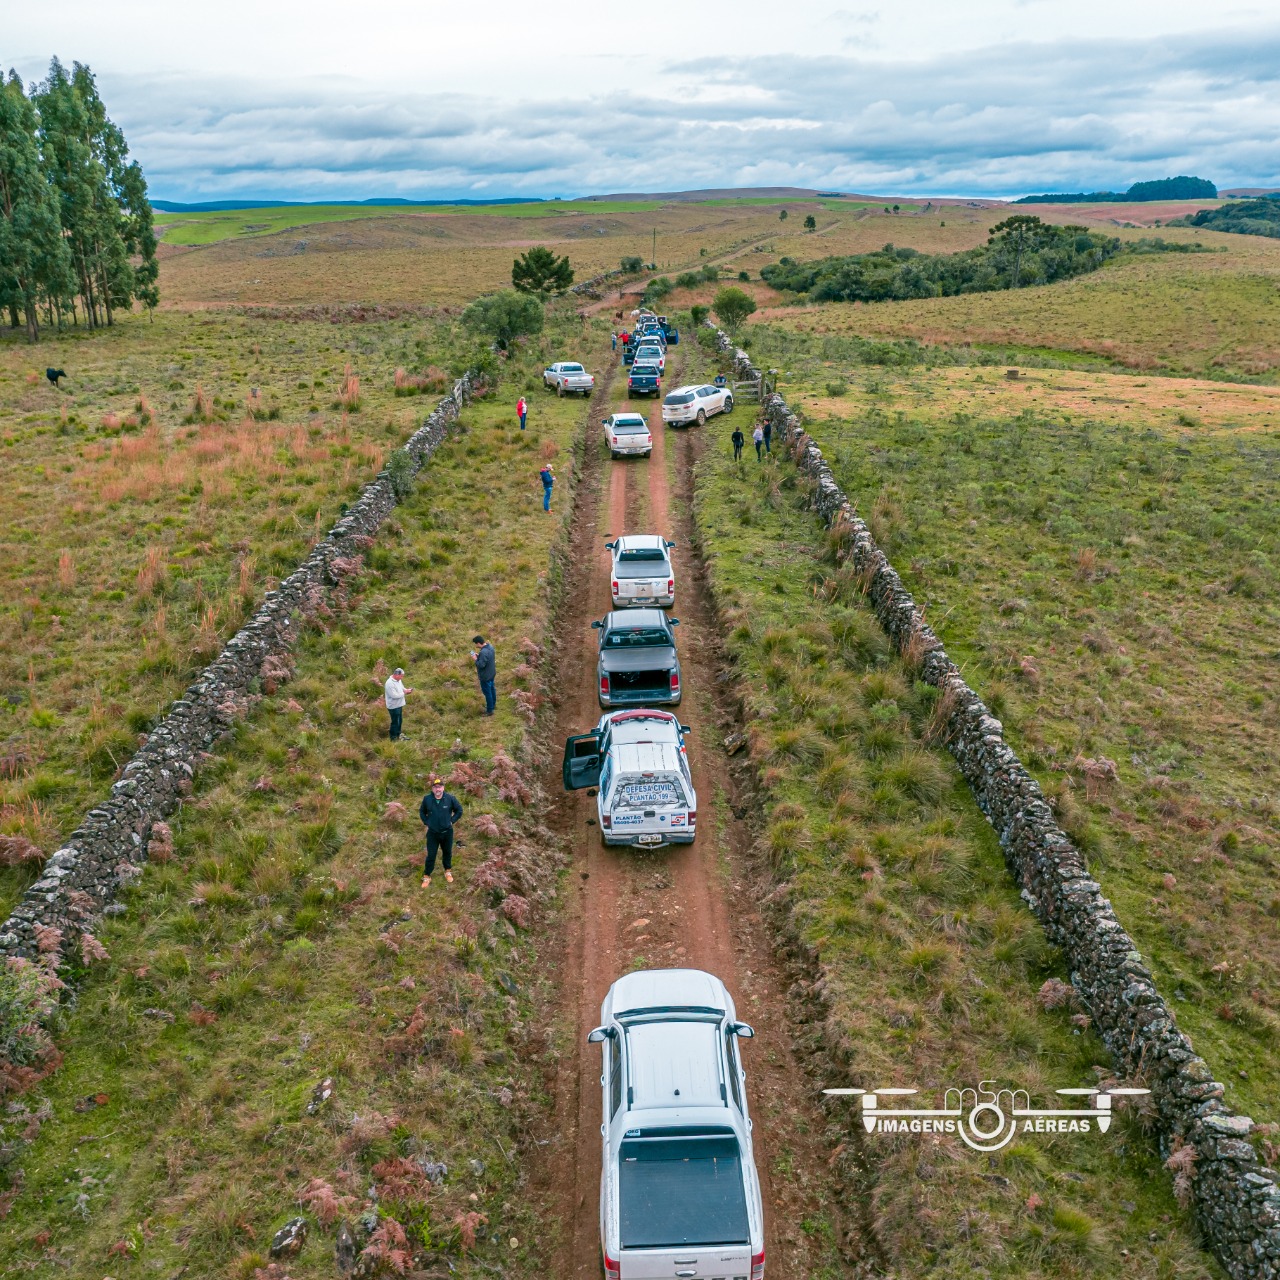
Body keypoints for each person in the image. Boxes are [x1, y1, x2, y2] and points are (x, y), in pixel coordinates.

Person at [420, 776, 463, 889]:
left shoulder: (450, 798)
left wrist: (452, 821)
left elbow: (459, 810)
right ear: (432, 789)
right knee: (431, 855)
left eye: (439, 787)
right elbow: (422, 812)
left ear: (443, 788)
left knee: (447, 852)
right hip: (433, 833)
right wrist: (427, 822)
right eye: (435, 787)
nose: (437, 789)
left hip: (447, 832)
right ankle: (427, 876)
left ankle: (447, 871)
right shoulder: (427, 799)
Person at [384, 667, 413, 741]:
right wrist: (404, 693)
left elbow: (402, 688)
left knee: (399, 721)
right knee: (395, 722)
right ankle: (393, 738)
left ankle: (399, 735)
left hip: (399, 705)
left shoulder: (398, 680)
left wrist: (407, 690)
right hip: (393, 706)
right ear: (396, 675)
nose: (402, 678)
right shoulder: (389, 683)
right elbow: (394, 696)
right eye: (401, 676)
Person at [471, 635, 497, 715]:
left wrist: (475, 659)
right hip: (491, 673)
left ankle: (489, 711)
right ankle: (493, 705)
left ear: (479, 643)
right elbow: (487, 659)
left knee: (487, 693)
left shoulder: (483, 652)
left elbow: (481, 665)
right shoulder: (490, 647)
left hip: (485, 676)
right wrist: (479, 656)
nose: (476, 645)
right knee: (492, 689)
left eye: (476, 644)